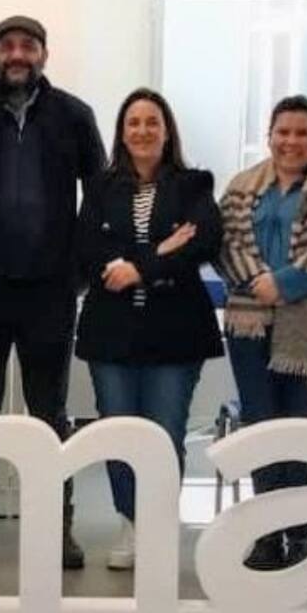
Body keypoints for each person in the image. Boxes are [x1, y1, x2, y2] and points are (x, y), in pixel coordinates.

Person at [0, 15, 107, 568]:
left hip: (50, 291)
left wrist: (80, 270)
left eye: (27, 46)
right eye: (7, 46)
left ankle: (56, 526)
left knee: (50, 412)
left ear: (43, 54)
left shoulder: (75, 115)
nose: (17, 54)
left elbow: (99, 195)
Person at [74, 88, 223, 570]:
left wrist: (139, 267)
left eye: (152, 122)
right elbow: (87, 247)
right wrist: (161, 249)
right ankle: (131, 523)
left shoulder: (194, 184)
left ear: (167, 131)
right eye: (133, 122)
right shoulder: (100, 187)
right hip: (111, 333)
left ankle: (157, 526)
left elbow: (204, 242)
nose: (142, 131)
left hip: (175, 334)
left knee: (164, 433)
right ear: (121, 133)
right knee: (118, 433)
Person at [217, 95, 307, 571]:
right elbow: (225, 243)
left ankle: (300, 532)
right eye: (283, 132)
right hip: (248, 322)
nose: (291, 141)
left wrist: (284, 283)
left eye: (302, 133)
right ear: (269, 135)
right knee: (261, 426)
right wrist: (258, 281)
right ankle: (265, 532)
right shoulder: (241, 187)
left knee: (301, 428)